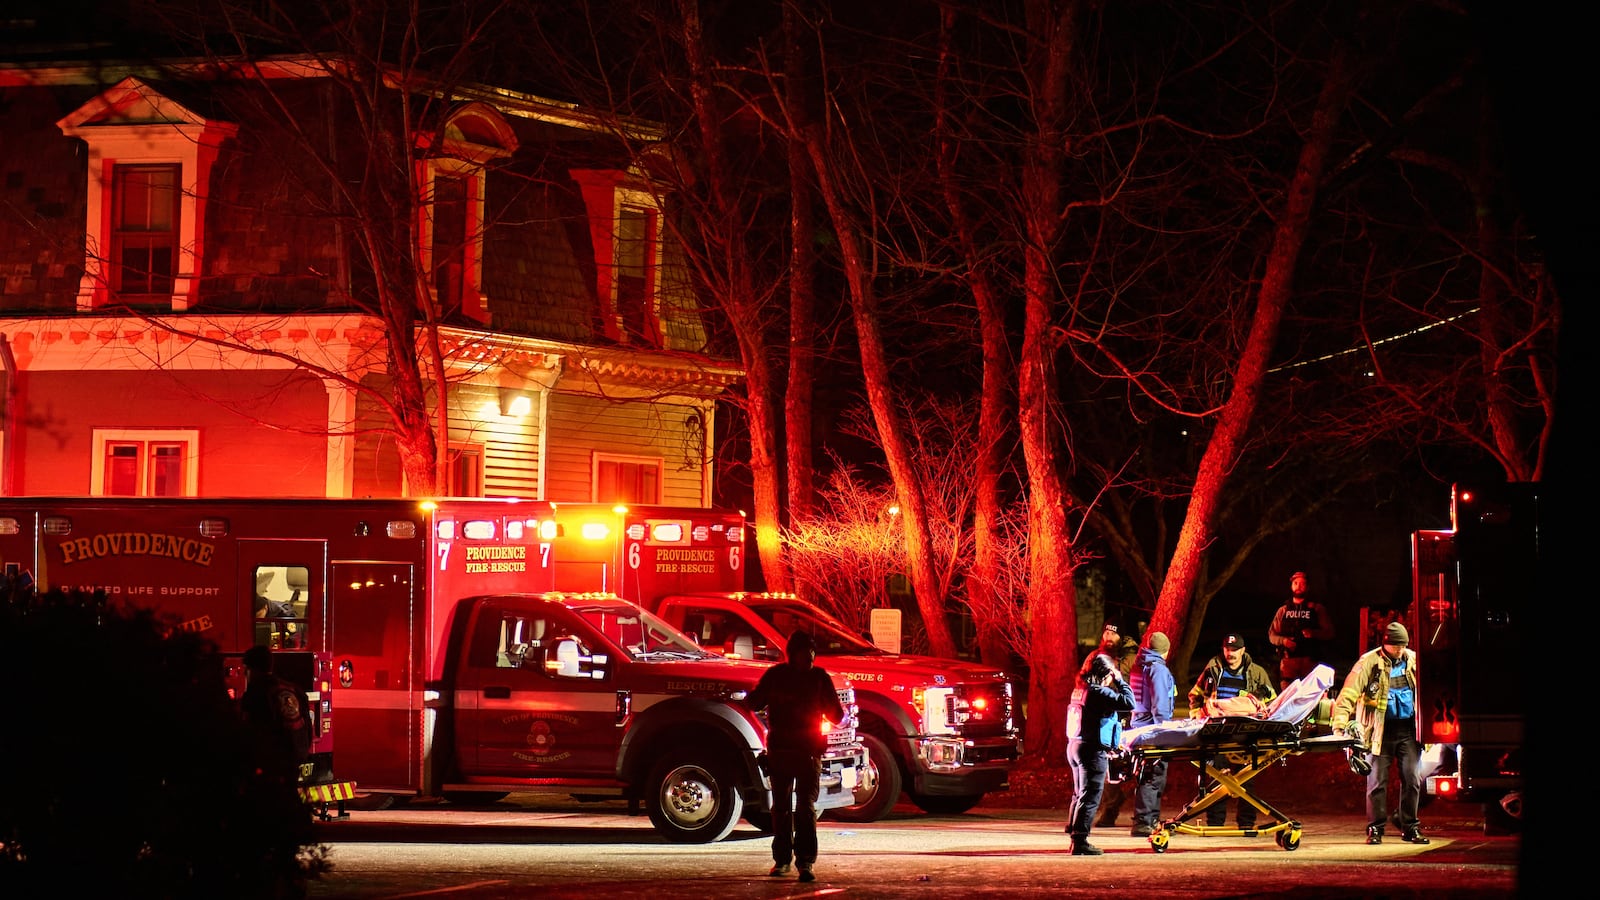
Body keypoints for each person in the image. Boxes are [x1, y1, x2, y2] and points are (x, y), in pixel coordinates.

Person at [744, 630, 846, 883]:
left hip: (798, 751)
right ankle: (796, 862)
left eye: (812, 652)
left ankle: (795, 862)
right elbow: (837, 715)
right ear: (795, 654)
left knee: (796, 808)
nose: (810, 657)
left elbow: (753, 703)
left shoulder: (779, 676)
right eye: (806, 652)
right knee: (791, 808)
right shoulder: (815, 678)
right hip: (793, 751)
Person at [1331, 621, 1429, 846]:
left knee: (1412, 779)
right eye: (1397, 646)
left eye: (1403, 645)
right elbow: (1348, 693)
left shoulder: (1413, 659)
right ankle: (1375, 829)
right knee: (1377, 782)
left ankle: (1410, 828)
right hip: (1379, 732)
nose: (1400, 650)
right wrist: (1340, 725)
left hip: (1409, 731)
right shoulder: (1369, 662)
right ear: (1386, 644)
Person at [1187, 633, 1277, 830]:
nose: (1231, 654)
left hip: (1246, 734)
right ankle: (1215, 824)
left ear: (1243, 651)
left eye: (1235, 650)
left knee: (1247, 779)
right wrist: (1196, 716)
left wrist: (1262, 697)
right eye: (1228, 649)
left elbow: (1272, 699)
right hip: (1217, 733)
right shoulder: (1212, 670)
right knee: (1218, 778)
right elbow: (1195, 694)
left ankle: (1246, 824)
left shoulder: (1257, 672)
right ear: (1223, 650)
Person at [1064, 624, 1136, 855]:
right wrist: (1120, 679)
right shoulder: (1099, 692)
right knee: (1091, 795)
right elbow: (1129, 702)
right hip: (1092, 749)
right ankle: (1080, 841)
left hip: (1075, 745)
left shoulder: (1080, 689)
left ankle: (1073, 830)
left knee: (1079, 792)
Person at [241, 644, 313, 783]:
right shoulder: (294, 689)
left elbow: (250, 732)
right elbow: (308, 727)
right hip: (295, 761)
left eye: (246, 669)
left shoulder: (256, 693)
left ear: (251, 669)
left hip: (269, 769)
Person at [1128, 631, 1176, 838]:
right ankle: (1145, 821)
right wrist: (1164, 729)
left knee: (1148, 774)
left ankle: (1149, 820)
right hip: (1152, 729)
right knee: (1153, 776)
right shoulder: (1157, 669)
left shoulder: (1139, 665)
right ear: (1166, 651)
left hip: (1139, 725)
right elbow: (1160, 704)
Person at [1267, 571, 1336, 691]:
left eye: (1302, 584)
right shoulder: (1283, 610)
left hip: (1310, 661)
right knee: (1287, 699)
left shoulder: (1317, 609)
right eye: (1295, 583)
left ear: (1308, 587)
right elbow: (1272, 635)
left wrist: (1313, 633)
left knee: (1308, 698)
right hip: (1288, 662)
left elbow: (1329, 632)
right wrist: (1284, 641)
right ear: (1291, 586)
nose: (1298, 586)